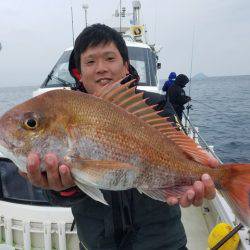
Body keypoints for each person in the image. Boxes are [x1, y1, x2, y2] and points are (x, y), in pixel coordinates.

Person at [20, 24, 216, 250]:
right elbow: (57, 192)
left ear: (125, 66)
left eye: (110, 58)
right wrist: (64, 188)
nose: (101, 68)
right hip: (99, 243)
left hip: (163, 242)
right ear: (79, 73)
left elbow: (179, 151)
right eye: (90, 62)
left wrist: (198, 174)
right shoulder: (65, 114)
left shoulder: (156, 105)